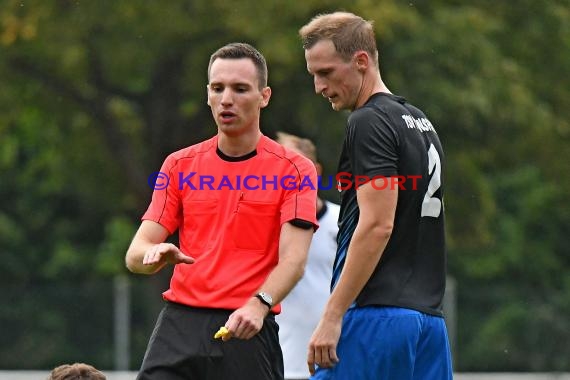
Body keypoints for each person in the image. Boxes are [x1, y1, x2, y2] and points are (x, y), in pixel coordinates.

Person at [125, 42, 318, 380]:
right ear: (208, 94)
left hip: (247, 326)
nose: (226, 98)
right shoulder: (178, 165)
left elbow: (294, 261)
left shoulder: (296, 169)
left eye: (240, 89)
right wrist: (152, 254)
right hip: (178, 325)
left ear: (264, 96)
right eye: (218, 88)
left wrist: (258, 305)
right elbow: (134, 255)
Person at [299, 11, 453, 380]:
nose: (319, 87)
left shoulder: (368, 121)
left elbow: (377, 225)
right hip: (428, 324)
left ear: (361, 61)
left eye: (326, 73)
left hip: (376, 318)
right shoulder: (421, 123)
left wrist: (332, 315)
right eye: (314, 75)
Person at [274, 132, 340, 380]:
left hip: (333, 363)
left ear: (316, 171)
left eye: (296, 166)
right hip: (275, 364)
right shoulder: (260, 227)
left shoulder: (344, 223)